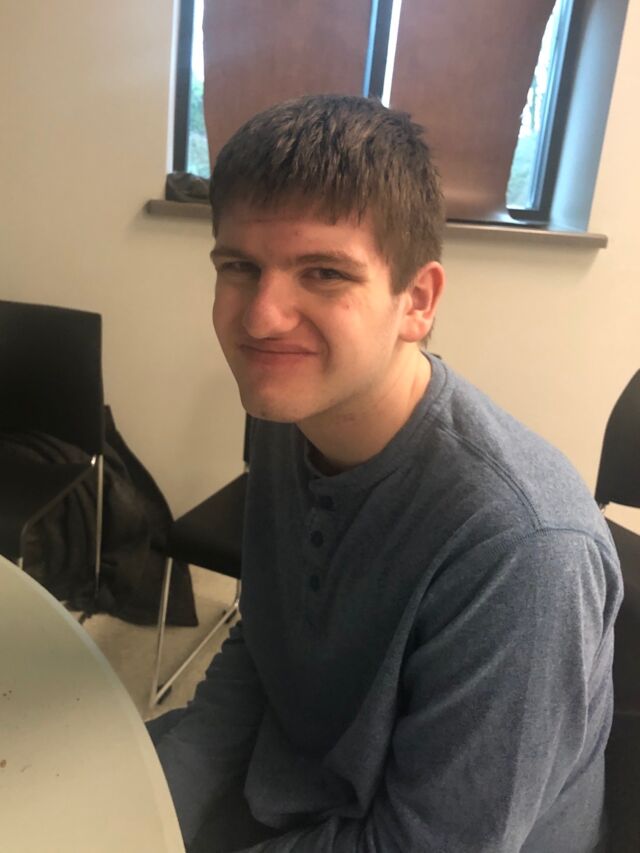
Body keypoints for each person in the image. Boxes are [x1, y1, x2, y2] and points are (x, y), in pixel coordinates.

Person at [148, 94, 622, 852]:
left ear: (417, 302)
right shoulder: (291, 415)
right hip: (296, 784)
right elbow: (264, 649)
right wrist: (153, 808)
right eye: (240, 266)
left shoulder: (523, 548)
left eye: (324, 273)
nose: (262, 317)